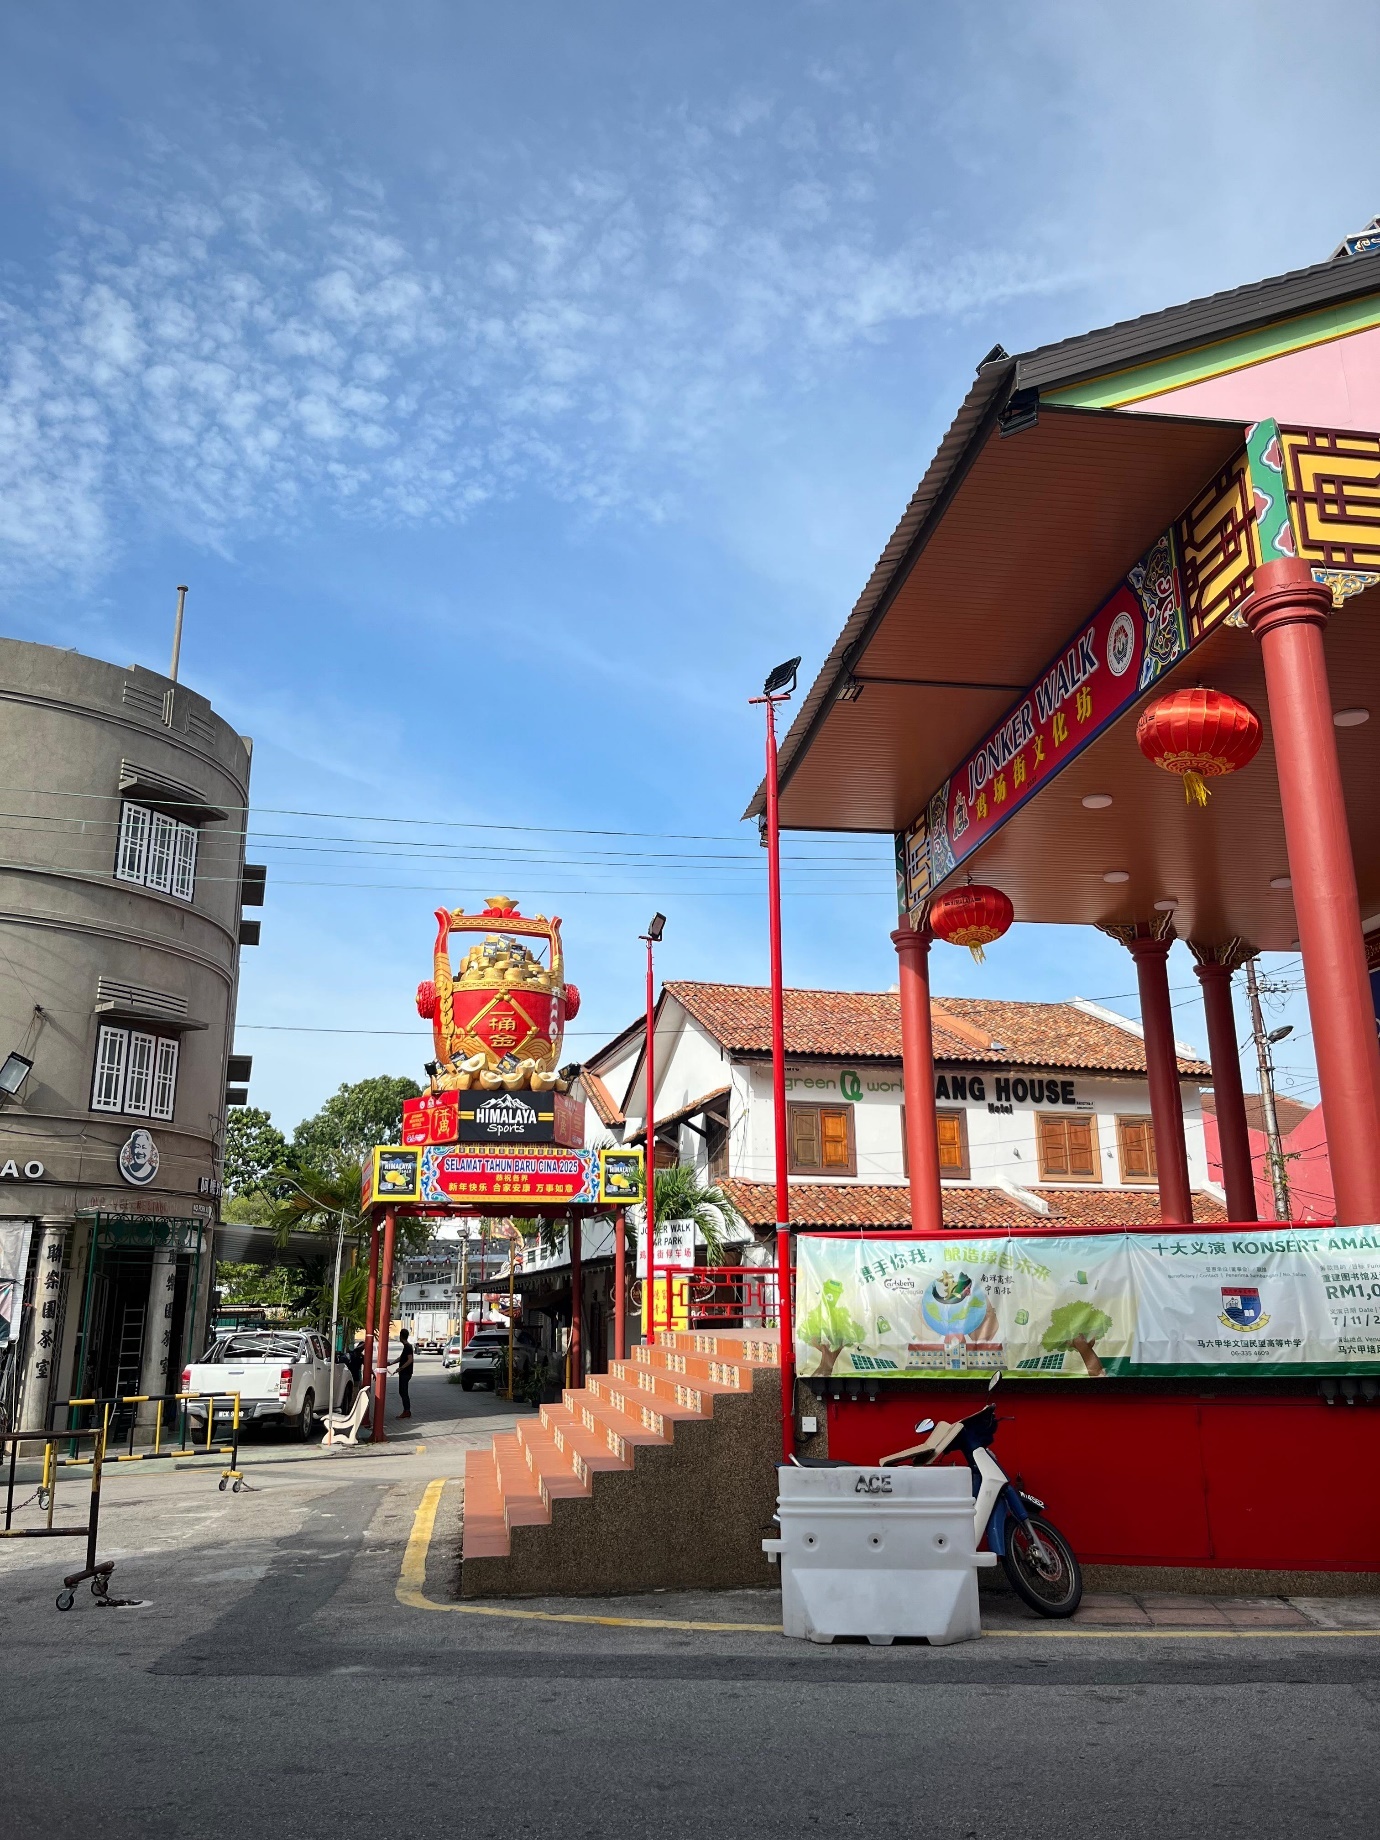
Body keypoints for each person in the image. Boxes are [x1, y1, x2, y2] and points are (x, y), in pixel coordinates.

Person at [393, 1327, 414, 1420]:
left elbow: (410, 1360)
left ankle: (407, 1411)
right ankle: (406, 1410)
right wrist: (390, 1363)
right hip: (404, 1372)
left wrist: (401, 1368)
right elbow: (401, 1358)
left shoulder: (408, 1347)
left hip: (406, 1373)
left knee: (403, 1391)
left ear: (401, 1337)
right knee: (402, 1391)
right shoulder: (407, 1347)